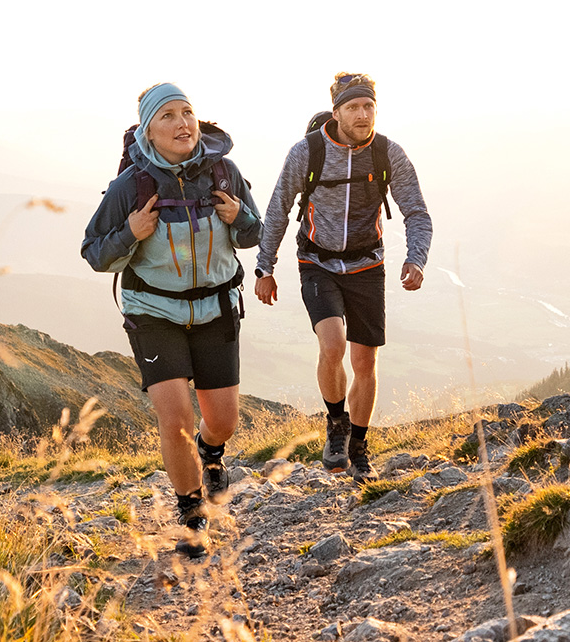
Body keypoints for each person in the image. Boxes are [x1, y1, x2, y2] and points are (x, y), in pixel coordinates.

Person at [82, 83, 262, 558]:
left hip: (216, 308)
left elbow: (254, 234)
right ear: (148, 130)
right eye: (168, 115)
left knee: (222, 421)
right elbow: (94, 252)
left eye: (188, 112)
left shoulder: (225, 172)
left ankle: (212, 453)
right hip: (153, 311)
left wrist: (239, 216)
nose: (183, 123)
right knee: (176, 417)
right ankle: (190, 514)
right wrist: (130, 232)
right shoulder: (131, 187)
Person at [254, 73, 432, 483]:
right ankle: (337, 424)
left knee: (365, 360)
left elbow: (417, 211)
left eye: (369, 106)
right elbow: (278, 209)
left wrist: (416, 259)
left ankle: (359, 446)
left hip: (367, 264)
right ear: (336, 113)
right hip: (317, 261)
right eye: (353, 107)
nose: (362, 114)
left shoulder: (388, 153)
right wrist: (265, 268)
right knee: (332, 345)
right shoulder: (308, 152)